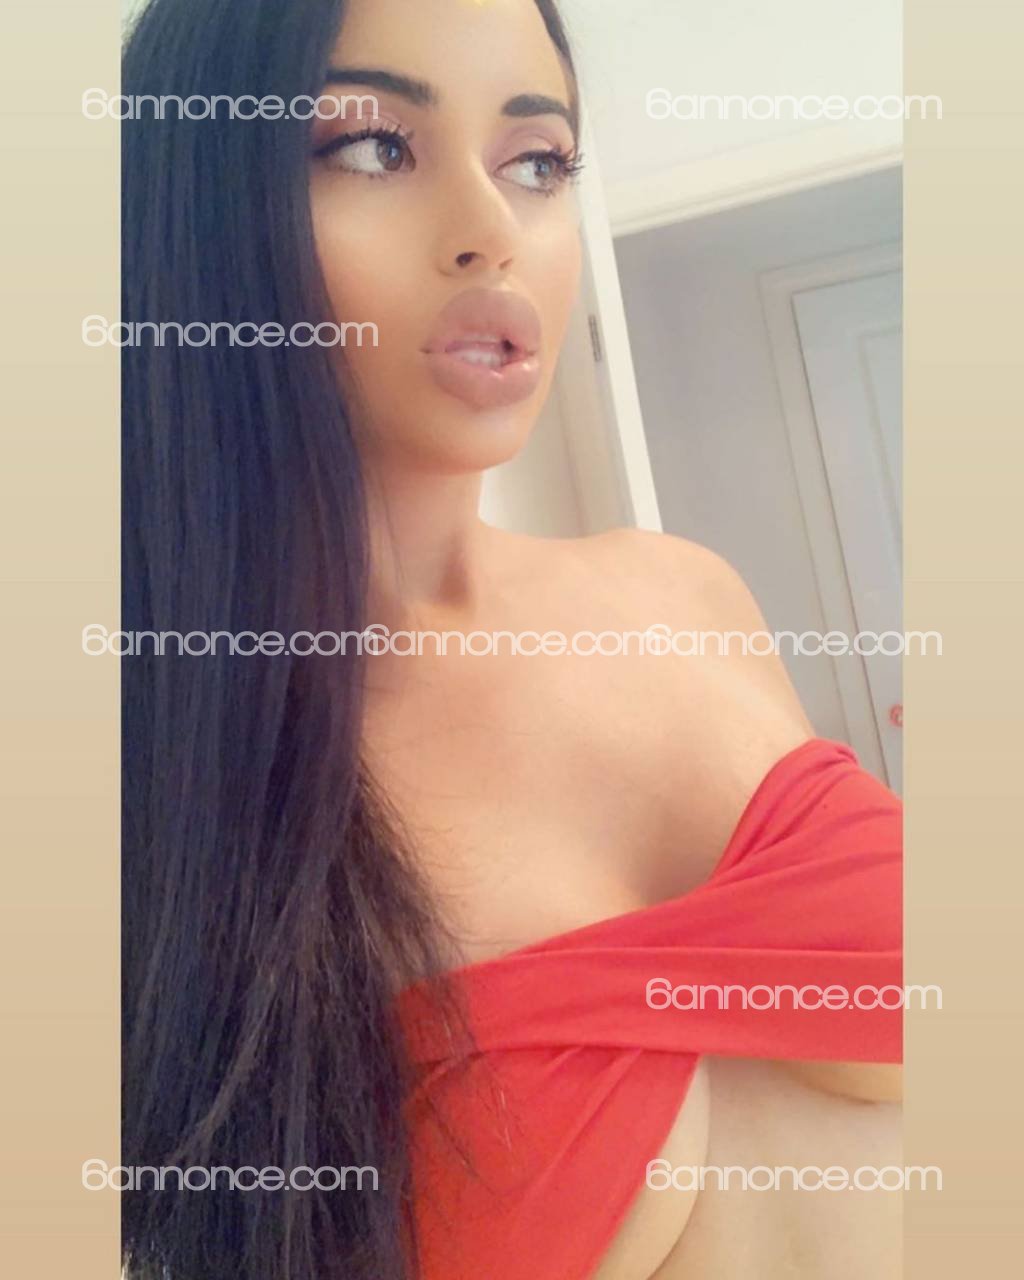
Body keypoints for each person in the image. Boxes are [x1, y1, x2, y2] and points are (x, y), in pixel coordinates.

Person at [121, 1, 903, 1277]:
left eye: (537, 161)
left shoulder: (688, 592)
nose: (492, 229)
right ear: (194, 205)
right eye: (372, 146)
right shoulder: (154, 776)